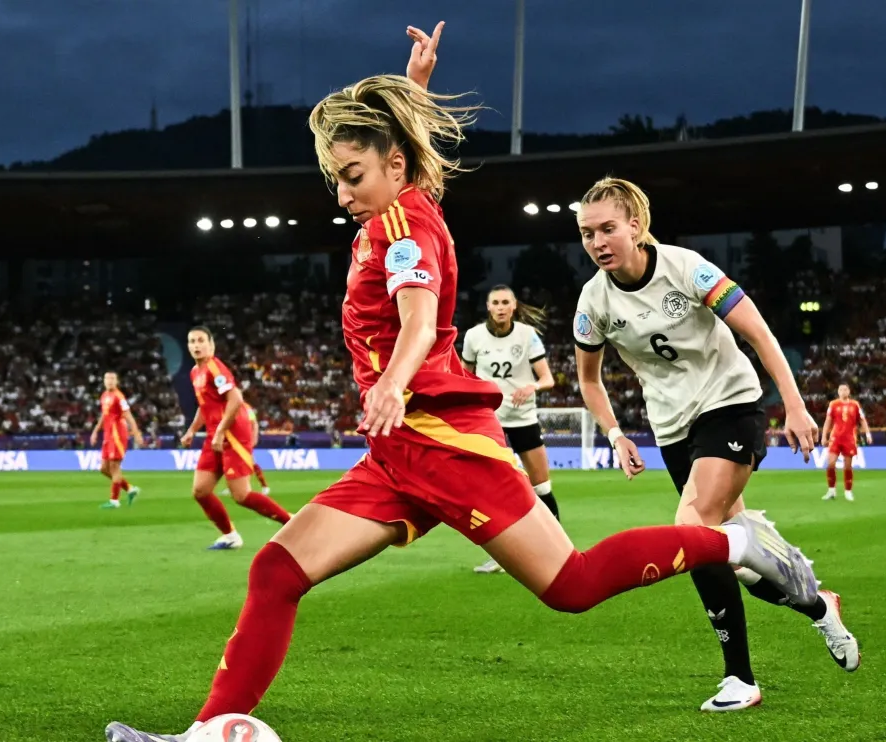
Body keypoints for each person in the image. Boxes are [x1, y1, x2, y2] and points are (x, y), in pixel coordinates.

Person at [104, 23, 818, 742]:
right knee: (277, 571)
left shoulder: (403, 230)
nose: (342, 192)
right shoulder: (402, 203)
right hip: (397, 456)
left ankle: (738, 547)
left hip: (444, 440)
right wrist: (410, 88)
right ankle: (208, 733)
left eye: (352, 176)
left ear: (390, 164)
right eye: (334, 178)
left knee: (570, 586)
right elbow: (398, 177)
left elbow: (417, 320)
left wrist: (391, 384)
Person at [572, 177, 860, 712]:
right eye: (587, 233)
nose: (597, 242)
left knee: (692, 529)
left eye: (607, 228)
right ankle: (820, 605)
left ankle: (740, 679)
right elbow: (589, 380)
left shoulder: (688, 269)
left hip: (731, 405)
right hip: (673, 431)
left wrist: (794, 405)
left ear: (635, 226)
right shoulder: (593, 302)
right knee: (738, 561)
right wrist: (615, 433)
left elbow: (759, 333)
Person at [461, 285, 557, 574]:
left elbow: (548, 379)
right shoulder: (474, 336)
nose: (501, 307)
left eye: (506, 302)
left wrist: (533, 386)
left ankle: (556, 550)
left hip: (524, 419)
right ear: (488, 307)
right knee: (493, 492)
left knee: (542, 487)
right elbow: (464, 376)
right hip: (488, 422)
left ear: (514, 306)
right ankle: (503, 555)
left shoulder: (527, 336)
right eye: (496, 302)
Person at [182, 327, 291, 550]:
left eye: (201, 340)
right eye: (192, 341)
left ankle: (293, 524)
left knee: (241, 495)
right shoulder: (195, 372)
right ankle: (230, 536)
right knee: (200, 490)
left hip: (231, 432)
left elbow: (236, 399)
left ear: (211, 344)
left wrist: (221, 430)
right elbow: (205, 406)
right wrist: (192, 430)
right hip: (215, 433)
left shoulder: (214, 367)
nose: (196, 345)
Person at [90, 371, 144, 509]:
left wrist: (136, 433)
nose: (110, 381)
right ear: (103, 380)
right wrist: (95, 431)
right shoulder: (104, 396)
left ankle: (114, 501)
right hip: (108, 435)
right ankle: (130, 489)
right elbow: (104, 415)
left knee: (114, 468)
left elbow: (128, 415)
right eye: (107, 378)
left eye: (113, 378)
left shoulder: (119, 397)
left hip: (118, 435)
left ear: (117, 381)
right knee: (103, 468)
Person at [822, 383, 871, 501]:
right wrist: (824, 436)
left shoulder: (855, 405)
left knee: (848, 465)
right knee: (831, 463)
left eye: (845, 389)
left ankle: (848, 491)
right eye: (840, 389)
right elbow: (828, 421)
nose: (843, 391)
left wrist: (867, 433)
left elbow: (862, 420)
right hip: (835, 437)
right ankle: (831, 490)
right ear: (838, 392)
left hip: (849, 438)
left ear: (849, 391)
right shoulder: (833, 404)